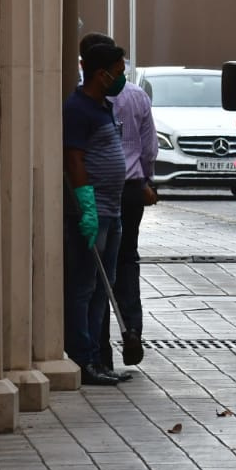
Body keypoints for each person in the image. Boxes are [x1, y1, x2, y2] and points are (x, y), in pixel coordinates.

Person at [79, 33, 158, 377]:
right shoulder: (136, 97)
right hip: (126, 191)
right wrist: (146, 182)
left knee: (101, 271)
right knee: (125, 262)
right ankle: (131, 329)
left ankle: (104, 350)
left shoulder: (85, 96)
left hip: (107, 192)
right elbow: (149, 148)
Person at [64, 41, 128, 386]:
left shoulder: (104, 107)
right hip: (94, 213)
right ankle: (82, 359)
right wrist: (86, 205)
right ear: (100, 74)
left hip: (112, 211)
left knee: (104, 286)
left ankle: (98, 358)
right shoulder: (77, 108)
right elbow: (73, 158)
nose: (121, 78)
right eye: (118, 72)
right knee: (84, 287)